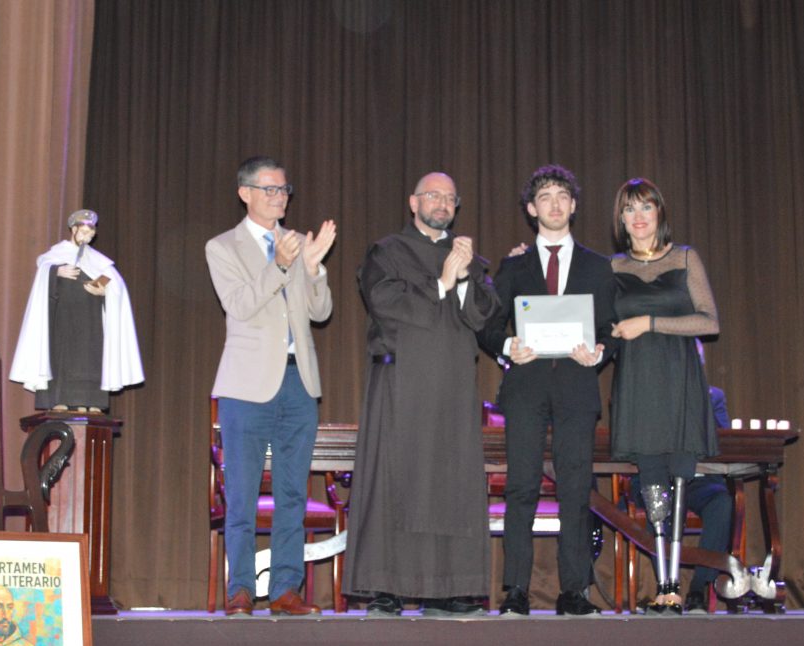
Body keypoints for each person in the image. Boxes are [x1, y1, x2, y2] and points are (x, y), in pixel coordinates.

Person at [342, 172, 500, 617]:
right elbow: (384, 302)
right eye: (434, 195)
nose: (443, 204)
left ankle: (450, 588)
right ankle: (386, 587)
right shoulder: (388, 252)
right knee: (395, 481)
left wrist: (466, 278)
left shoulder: (469, 258)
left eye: (450, 198)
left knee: (451, 486)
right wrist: (442, 283)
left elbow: (483, 317)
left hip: (451, 389)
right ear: (413, 202)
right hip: (401, 385)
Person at [477, 165, 614, 617]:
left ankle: (573, 591)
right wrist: (507, 346)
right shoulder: (513, 266)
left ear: (573, 205)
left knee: (576, 487)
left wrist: (600, 351)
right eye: (545, 197)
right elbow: (488, 326)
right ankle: (515, 589)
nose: (554, 204)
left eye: (562, 196)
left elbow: (612, 329)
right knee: (521, 487)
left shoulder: (599, 267)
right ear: (532, 209)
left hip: (577, 387)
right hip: (527, 388)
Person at [206, 155, 337, 616]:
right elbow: (239, 304)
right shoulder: (222, 247)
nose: (279, 198)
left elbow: (320, 312)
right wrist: (280, 267)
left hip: (298, 380)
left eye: (284, 190)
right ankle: (240, 589)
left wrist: (315, 268)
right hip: (245, 385)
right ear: (245, 193)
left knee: (292, 493)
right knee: (240, 493)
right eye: (269, 190)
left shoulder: (299, 243)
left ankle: (286, 589)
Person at [608, 177, 719, 615]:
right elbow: (598, 323)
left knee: (679, 478)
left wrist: (649, 323)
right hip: (637, 385)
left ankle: (677, 585)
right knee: (651, 480)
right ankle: (665, 585)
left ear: (659, 214)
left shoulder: (685, 258)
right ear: (620, 220)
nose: (638, 218)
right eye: (629, 210)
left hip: (679, 384)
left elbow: (709, 321)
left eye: (646, 208)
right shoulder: (612, 268)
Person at [629, 339, 733, 614]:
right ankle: (667, 588)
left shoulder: (713, 397)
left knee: (722, 504)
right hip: (658, 479)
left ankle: (699, 588)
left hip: (698, 480)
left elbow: (724, 444)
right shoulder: (644, 396)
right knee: (657, 506)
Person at [9, 209, 144, 412]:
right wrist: (57, 272)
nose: (88, 234)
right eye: (84, 230)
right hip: (62, 319)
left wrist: (103, 291)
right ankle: (59, 399)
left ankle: (89, 401)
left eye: (91, 231)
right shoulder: (55, 256)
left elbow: (115, 284)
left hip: (90, 322)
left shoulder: (98, 260)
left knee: (89, 359)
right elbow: (42, 279)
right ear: (73, 229)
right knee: (62, 357)